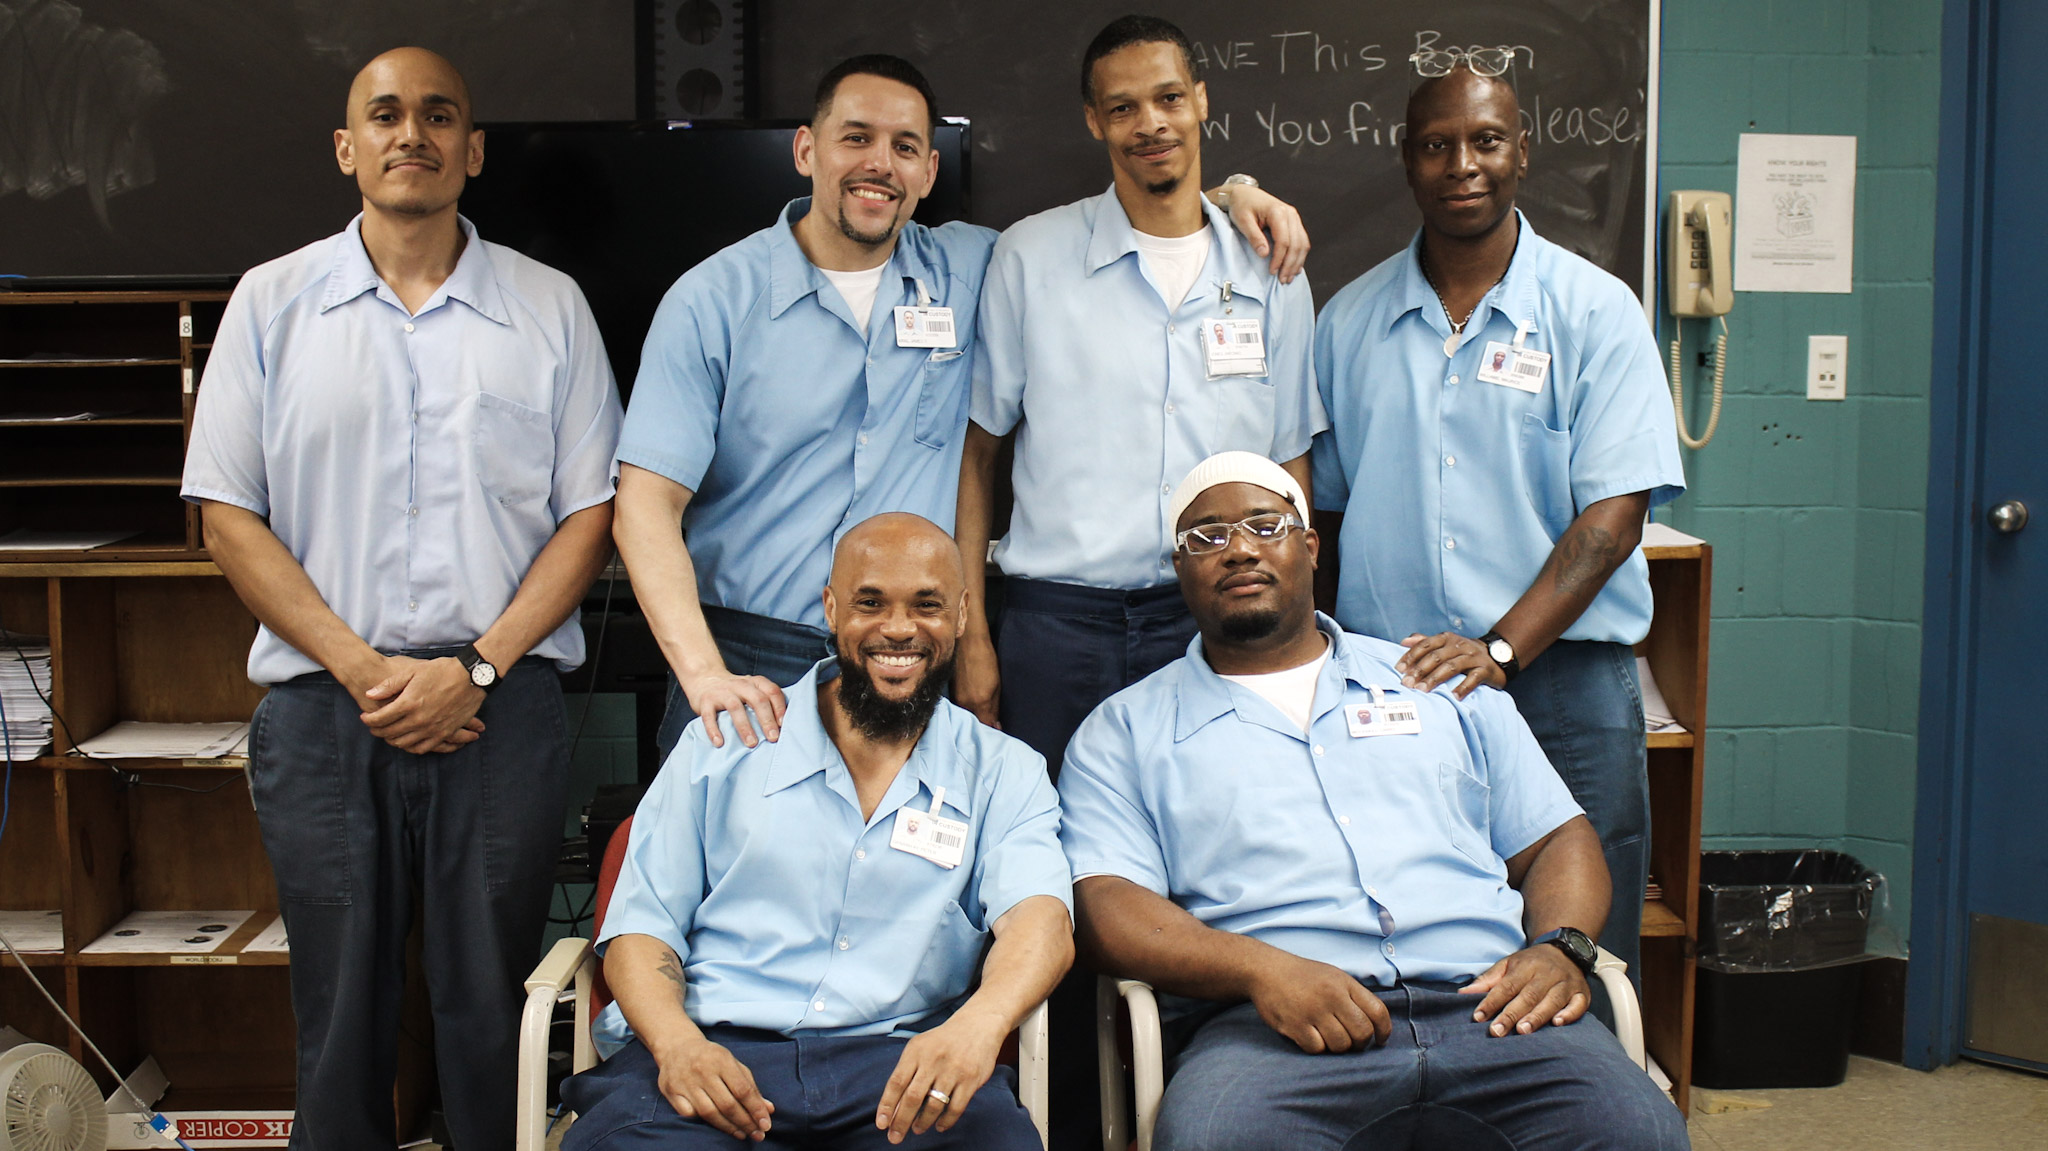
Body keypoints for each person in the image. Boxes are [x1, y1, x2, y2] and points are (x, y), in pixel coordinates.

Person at [615, 54, 1308, 760]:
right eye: (855, 138)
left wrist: (1227, 197)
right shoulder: (711, 302)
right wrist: (704, 673)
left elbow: (1145, 219)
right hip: (751, 653)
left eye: (905, 146)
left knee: (911, 862)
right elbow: (644, 505)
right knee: (734, 865)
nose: (879, 164)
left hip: (912, 658)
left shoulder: (978, 268)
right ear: (806, 149)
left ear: (928, 173)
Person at [181, 48, 622, 1149]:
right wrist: (363, 666)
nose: (409, 132)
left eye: (438, 116)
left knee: (492, 1008)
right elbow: (227, 514)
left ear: (473, 151)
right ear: (347, 148)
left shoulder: (549, 308)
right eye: (384, 115)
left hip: (498, 705)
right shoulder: (272, 303)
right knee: (338, 1011)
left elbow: (591, 516)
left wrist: (471, 666)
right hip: (328, 711)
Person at [1058, 453, 1690, 1151]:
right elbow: (1105, 902)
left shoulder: (1439, 681)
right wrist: (1261, 969)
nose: (1237, 548)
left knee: (1637, 1132)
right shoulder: (1125, 730)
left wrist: (1561, 946)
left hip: (1495, 1010)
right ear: (1180, 568)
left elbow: (1557, 839)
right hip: (1271, 1034)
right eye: (1205, 537)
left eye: (1264, 526)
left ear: (1309, 544)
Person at [1310, 66, 1686, 985]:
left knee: (1582, 957)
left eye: (1485, 140)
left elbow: (1614, 515)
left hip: (1564, 685)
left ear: (1522, 150)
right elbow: (1320, 514)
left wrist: (1502, 651)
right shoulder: (1348, 321)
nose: (1462, 164)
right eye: (1437, 144)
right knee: (1411, 937)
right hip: (1397, 687)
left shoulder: (1596, 312)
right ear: (1408, 160)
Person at [563, 513, 1073, 1150]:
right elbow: (640, 930)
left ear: (963, 615)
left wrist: (980, 1027)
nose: (898, 628)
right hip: (719, 1055)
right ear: (831, 609)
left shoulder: (1005, 772)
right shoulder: (723, 744)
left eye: (927, 604)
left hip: (900, 1065)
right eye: (869, 602)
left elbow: (1042, 924)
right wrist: (678, 1047)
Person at [955, 15, 1325, 780]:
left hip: (1221, 614)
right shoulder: (1031, 257)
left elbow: (1289, 461)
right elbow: (977, 452)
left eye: (1167, 99)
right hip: (1055, 624)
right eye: (1122, 107)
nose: (1150, 124)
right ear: (1095, 122)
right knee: (1046, 855)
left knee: (1219, 851)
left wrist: (1299, 626)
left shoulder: (1271, 271)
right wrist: (972, 637)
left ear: (1201, 100)